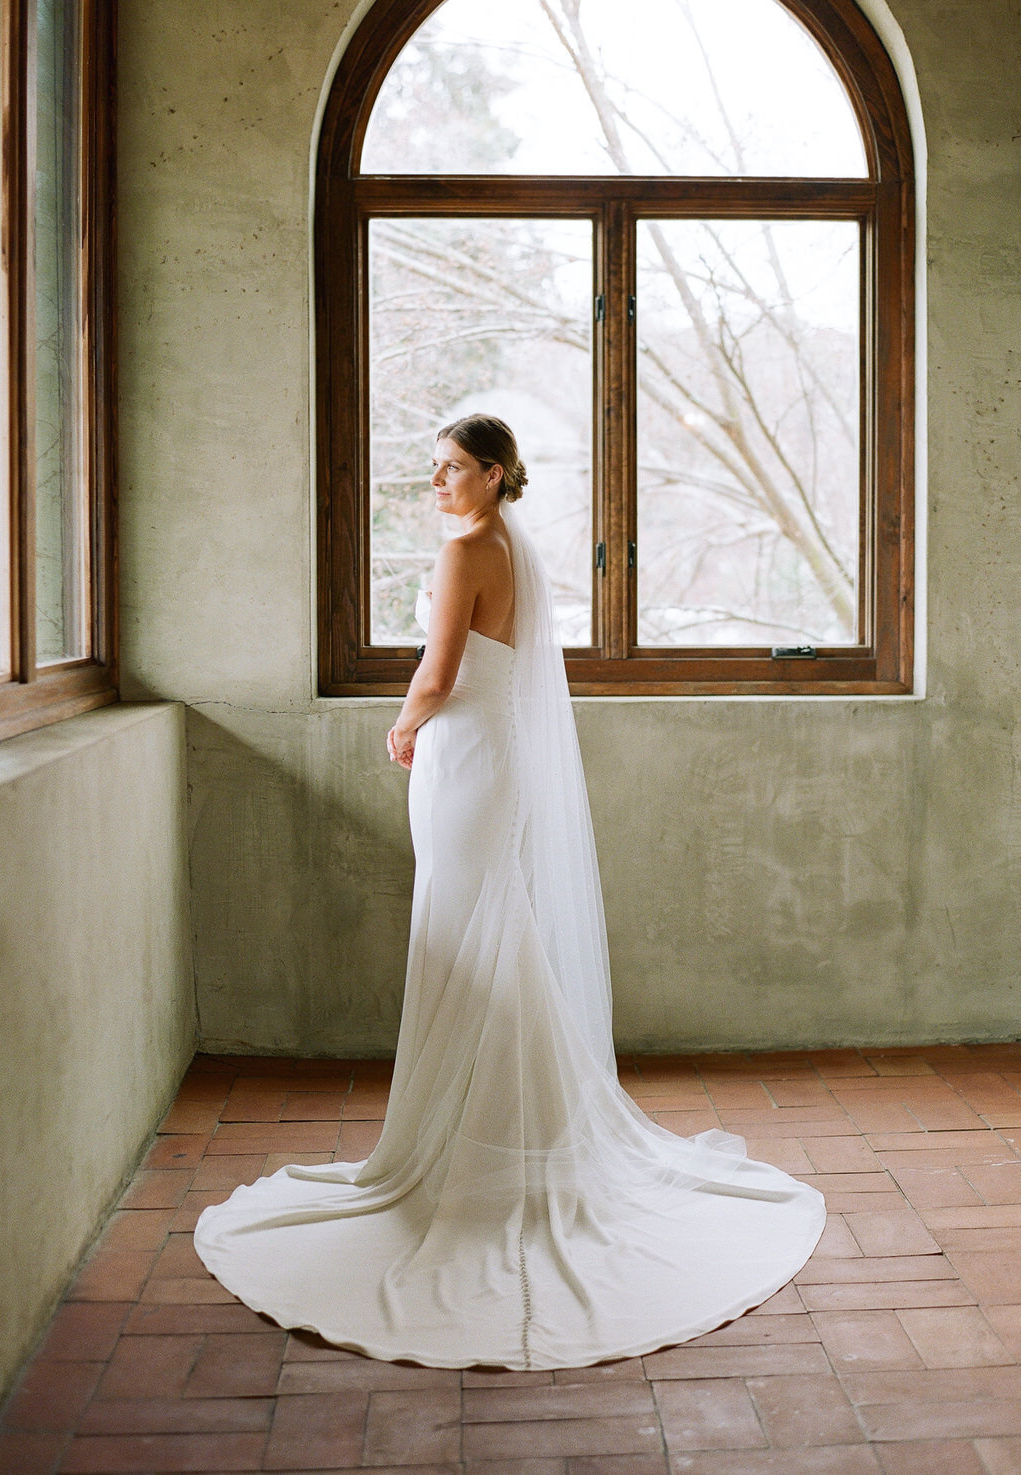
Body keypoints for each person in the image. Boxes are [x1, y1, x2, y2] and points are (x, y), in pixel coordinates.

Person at [192, 413, 827, 1370]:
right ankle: (513, 1132)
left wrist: (403, 726)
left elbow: (441, 671)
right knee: (490, 932)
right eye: (434, 469)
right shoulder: (510, 547)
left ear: (494, 475)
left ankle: (480, 1143)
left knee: (471, 930)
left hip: (467, 761)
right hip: (493, 762)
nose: (436, 483)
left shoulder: (468, 551)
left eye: (451, 469)